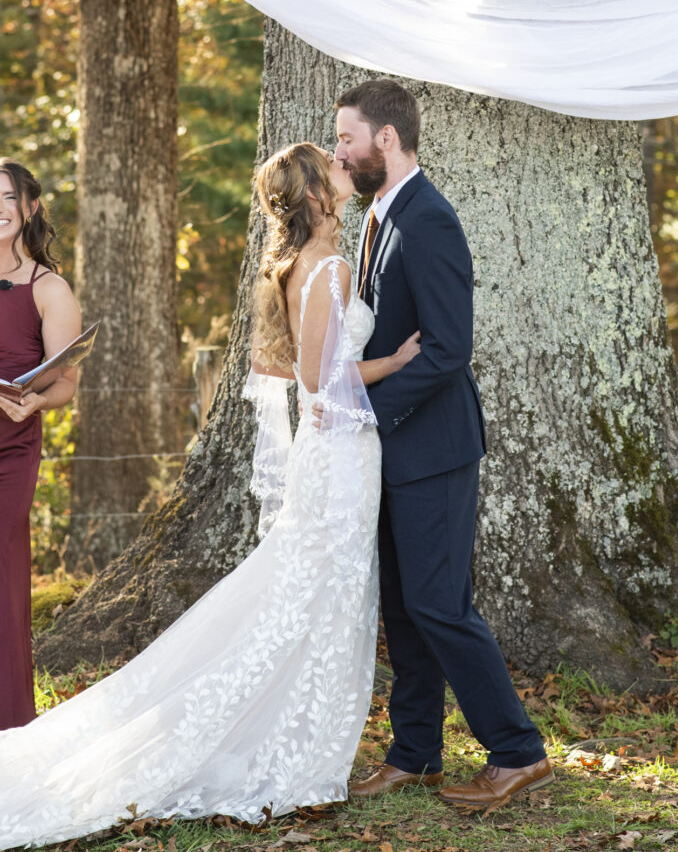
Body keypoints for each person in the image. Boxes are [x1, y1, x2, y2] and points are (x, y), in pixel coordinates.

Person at [0, 143, 418, 849]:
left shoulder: (304, 263)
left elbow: (277, 363)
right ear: (317, 193)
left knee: (317, 594)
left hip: (337, 452)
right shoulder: (330, 267)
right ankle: (295, 745)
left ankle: (301, 736)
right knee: (321, 594)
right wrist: (399, 360)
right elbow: (322, 380)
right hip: (341, 450)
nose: (347, 175)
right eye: (335, 169)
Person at [332, 80, 554, 811]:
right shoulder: (377, 216)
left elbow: (448, 349)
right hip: (393, 449)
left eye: (346, 138)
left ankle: (516, 750)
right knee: (403, 607)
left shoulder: (427, 220)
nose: (340, 150)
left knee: (439, 604)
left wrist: (368, 410)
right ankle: (415, 753)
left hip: (431, 447)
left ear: (385, 139)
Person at [0, 157, 81, 732]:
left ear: (29, 208)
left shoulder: (48, 288)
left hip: (11, 447)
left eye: (6, 197)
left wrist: (36, 402)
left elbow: (66, 380)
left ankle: (9, 726)